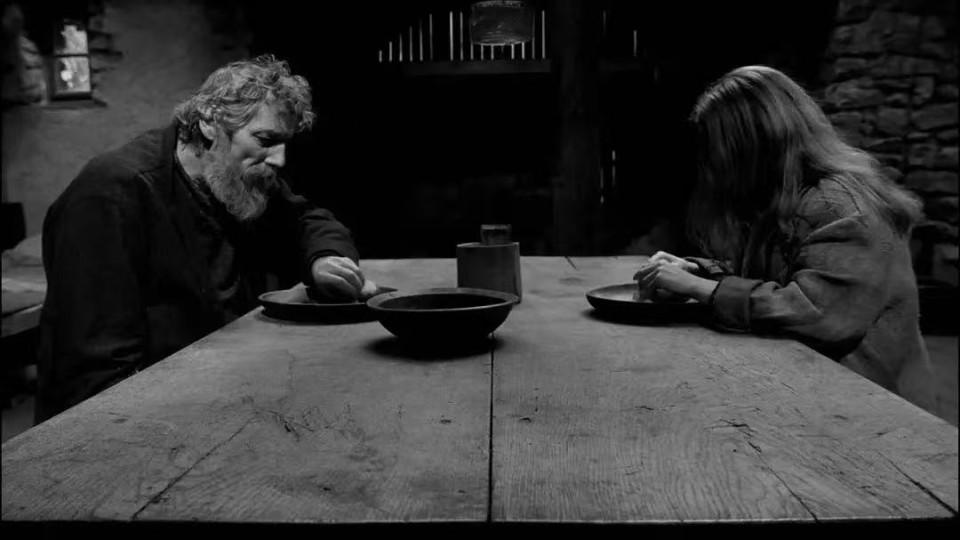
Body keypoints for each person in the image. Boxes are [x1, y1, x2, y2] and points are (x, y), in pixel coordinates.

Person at [36, 55, 376, 422]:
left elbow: (308, 220)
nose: (279, 160)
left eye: (284, 143)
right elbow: (97, 369)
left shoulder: (234, 177)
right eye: (266, 139)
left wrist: (324, 259)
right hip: (135, 419)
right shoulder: (110, 195)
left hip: (221, 392)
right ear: (210, 122)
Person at [634, 65, 933, 406]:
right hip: (820, 391)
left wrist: (701, 289)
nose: (712, 164)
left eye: (718, 149)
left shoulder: (839, 206)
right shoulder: (786, 196)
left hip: (878, 407)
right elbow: (783, 275)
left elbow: (818, 313)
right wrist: (700, 273)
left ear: (754, 144)